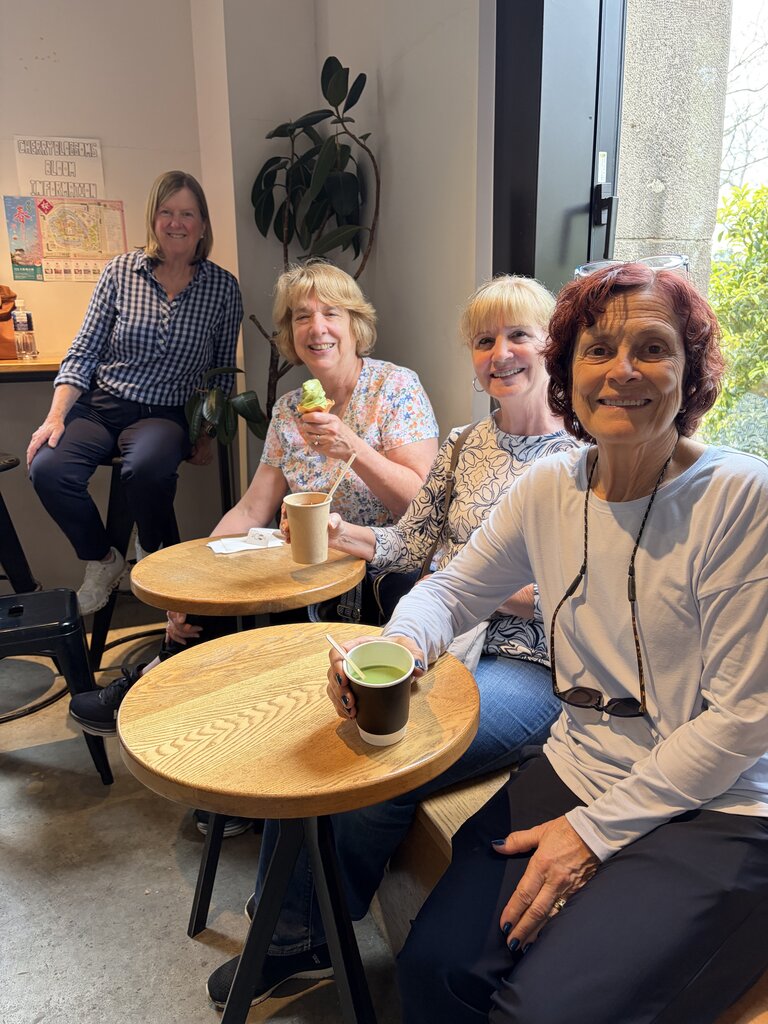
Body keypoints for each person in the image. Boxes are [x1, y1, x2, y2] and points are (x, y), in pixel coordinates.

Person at [362, 262, 767, 1023]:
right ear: (568, 371)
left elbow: (744, 719)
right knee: (436, 970)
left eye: (653, 348)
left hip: (722, 808)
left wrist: (591, 834)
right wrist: (399, 650)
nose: (622, 371)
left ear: (691, 373)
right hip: (580, 766)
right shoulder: (549, 488)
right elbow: (451, 590)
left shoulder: (741, 498)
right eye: (598, 350)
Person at [205, 274, 581, 1009]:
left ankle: (304, 931)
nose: (501, 353)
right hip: (449, 640)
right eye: (484, 340)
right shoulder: (466, 444)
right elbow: (410, 543)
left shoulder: (583, 457)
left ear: (553, 346)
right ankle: (293, 912)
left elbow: (572, 601)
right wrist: (342, 533)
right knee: (324, 727)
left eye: (519, 335)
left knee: (385, 754)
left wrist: (468, 579)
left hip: (534, 666)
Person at [68, 260, 438, 831]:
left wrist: (353, 447)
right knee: (222, 594)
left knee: (269, 634)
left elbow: (420, 504)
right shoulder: (290, 409)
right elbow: (251, 510)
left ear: (355, 324)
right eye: (301, 317)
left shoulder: (395, 388)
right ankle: (211, 744)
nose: (316, 327)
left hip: (379, 563)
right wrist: (191, 587)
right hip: (307, 565)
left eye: (330, 313)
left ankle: (241, 766)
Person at [27, 170, 243, 614]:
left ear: (203, 224)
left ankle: (152, 548)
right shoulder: (120, 271)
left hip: (166, 414)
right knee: (47, 468)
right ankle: (103, 560)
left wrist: (206, 433)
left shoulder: (223, 288)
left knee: (147, 468)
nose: (176, 222)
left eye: (187, 213)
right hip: (102, 406)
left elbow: (221, 372)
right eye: (166, 212)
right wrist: (55, 417)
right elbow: (84, 350)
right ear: (153, 219)